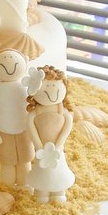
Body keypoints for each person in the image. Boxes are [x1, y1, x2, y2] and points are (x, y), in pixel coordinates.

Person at [0, 49, 34, 188]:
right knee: (7, 162)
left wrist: (33, 131)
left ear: (26, 62)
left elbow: (33, 110)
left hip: (24, 132)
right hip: (3, 133)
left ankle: (24, 185)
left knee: (25, 160)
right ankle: (7, 187)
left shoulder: (27, 89)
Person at [25, 66, 75, 203]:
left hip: (58, 149)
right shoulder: (34, 114)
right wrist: (38, 146)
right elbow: (31, 129)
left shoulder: (63, 111)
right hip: (41, 150)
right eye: (47, 86)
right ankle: (41, 192)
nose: (51, 89)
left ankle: (59, 191)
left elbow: (67, 127)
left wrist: (59, 144)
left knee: (59, 168)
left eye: (55, 85)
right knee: (42, 170)